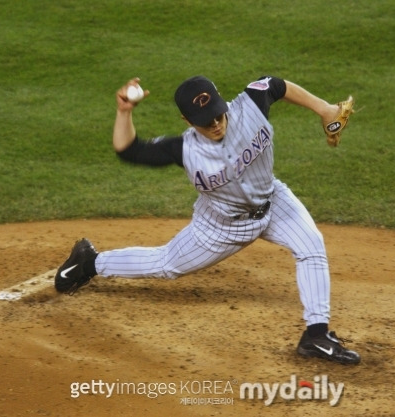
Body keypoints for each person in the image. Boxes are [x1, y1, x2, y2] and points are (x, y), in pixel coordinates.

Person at [54, 75, 360, 365]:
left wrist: (324, 109)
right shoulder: (184, 149)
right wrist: (124, 111)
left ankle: (315, 336)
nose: (215, 123)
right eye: (204, 121)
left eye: (217, 114)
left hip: (273, 201)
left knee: (311, 244)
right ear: (187, 121)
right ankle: (89, 263)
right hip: (220, 227)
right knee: (165, 264)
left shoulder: (250, 104)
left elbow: (277, 85)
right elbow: (129, 150)